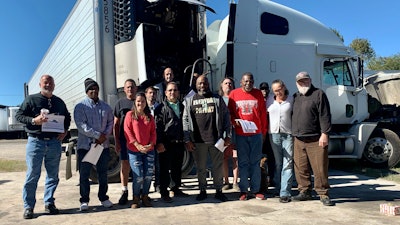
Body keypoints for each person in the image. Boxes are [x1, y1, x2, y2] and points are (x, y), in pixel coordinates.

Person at [16, 74, 71, 219]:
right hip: (36, 141)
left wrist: (65, 130)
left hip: (54, 142)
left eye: (51, 83)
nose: (48, 85)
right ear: (40, 84)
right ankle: (28, 207)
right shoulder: (31, 99)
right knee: (33, 175)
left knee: (53, 175)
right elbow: (19, 116)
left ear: (54, 85)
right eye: (45, 82)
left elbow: (67, 117)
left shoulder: (58, 102)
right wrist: (34, 120)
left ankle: (49, 203)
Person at [183, 75, 231, 202]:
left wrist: (227, 135)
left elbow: (226, 117)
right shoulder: (190, 100)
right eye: (200, 83)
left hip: (216, 140)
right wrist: (187, 139)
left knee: (217, 167)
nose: (202, 86)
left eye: (204, 83)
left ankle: (219, 190)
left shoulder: (217, 98)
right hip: (198, 141)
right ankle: (202, 190)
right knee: (201, 168)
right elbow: (186, 120)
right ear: (196, 84)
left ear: (208, 84)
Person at [291, 71, 334, 206]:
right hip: (298, 139)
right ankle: (305, 192)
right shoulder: (295, 96)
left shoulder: (319, 94)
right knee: (300, 168)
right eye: (300, 81)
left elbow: (325, 115)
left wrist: (325, 134)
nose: (303, 83)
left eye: (305, 80)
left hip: (316, 139)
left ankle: (323, 193)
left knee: (320, 168)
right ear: (297, 83)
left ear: (310, 80)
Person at [74, 78, 114, 211]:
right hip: (86, 147)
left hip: (102, 146)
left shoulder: (106, 107)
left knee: (103, 173)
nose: (94, 91)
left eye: (96, 88)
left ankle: (104, 197)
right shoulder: (80, 107)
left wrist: (104, 137)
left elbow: (110, 123)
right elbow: (81, 126)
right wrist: (98, 136)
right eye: (91, 89)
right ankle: (84, 200)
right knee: (84, 175)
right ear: (86, 91)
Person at [228, 72, 268, 201]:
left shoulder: (258, 94)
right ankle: (244, 190)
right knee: (243, 163)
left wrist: (263, 132)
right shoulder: (234, 94)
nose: (248, 83)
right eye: (245, 81)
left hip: (256, 134)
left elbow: (262, 114)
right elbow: (230, 113)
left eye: (250, 81)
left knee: (255, 163)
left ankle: (256, 190)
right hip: (241, 135)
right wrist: (235, 122)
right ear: (241, 82)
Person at [155, 82, 189, 203]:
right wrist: (159, 142)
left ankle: (175, 188)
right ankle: (164, 192)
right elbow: (158, 127)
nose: (172, 92)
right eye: (170, 90)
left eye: (174, 90)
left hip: (179, 142)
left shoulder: (183, 107)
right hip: (166, 143)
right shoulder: (160, 108)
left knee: (177, 167)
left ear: (178, 92)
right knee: (164, 169)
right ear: (165, 93)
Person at [124, 92, 157, 208]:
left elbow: (153, 132)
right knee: (138, 174)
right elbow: (127, 131)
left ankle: (145, 196)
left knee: (148, 175)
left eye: (143, 101)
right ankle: (136, 198)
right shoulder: (130, 115)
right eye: (138, 101)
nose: (140, 103)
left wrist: (151, 144)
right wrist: (137, 145)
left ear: (145, 103)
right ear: (135, 102)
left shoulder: (150, 117)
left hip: (149, 150)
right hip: (134, 150)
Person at [266, 79, 294, 203]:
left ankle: (285, 192)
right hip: (274, 134)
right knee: (278, 163)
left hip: (288, 134)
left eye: (279, 89)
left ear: (284, 87)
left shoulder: (291, 100)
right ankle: (279, 187)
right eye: (275, 91)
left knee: (288, 162)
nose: (278, 93)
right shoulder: (270, 100)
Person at [113, 79, 137, 205]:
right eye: (128, 87)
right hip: (124, 140)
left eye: (132, 87)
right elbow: (116, 124)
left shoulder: (140, 101)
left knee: (138, 167)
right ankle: (125, 191)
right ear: (124, 89)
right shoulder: (120, 103)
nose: (130, 89)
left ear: (136, 88)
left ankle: (138, 193)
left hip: (139, 141)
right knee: (125, 165)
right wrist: (116, 140)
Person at [219, 77, 239, 191]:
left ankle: (235, 181)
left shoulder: (236, 98)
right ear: (222, 86)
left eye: (230, 83)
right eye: (226, 83)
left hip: (235, 131)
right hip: (223, 133)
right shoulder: (219, 100)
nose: (228, 85)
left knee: (235, 157)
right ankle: (226, 181)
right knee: (224, 157)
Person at [145, 86, 160, 192]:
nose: (152, 95)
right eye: (150, 93)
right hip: (145, 140)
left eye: (154, 93)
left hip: (157, 139)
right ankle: (145, 187)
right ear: (146, 94)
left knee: (158, 164)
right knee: (146, 165)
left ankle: (158, 184)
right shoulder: (142, 108)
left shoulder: (159, 107)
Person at [259, 81, 273, 194]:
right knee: (260, 159)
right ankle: (262, 181)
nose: (264, 91)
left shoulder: (272, 100)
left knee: (271, 157)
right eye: (262, 89)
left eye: (266, 89)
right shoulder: (258, 100)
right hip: (260, 133)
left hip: (271, 133)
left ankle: (272, 178)